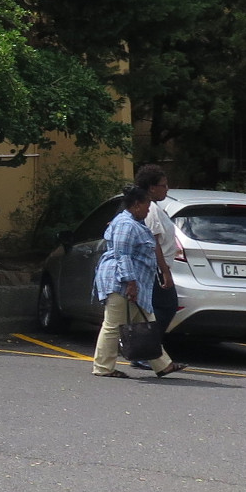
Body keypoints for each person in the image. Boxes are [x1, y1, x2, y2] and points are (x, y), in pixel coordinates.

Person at [91, 162, 181, 379]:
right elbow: (123, 255)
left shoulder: (133, 222)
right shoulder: (126, 225)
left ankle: (163, 365)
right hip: (119, 282)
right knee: (113, 325)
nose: (149, 210)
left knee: (145, 321)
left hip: (132, 283)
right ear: (136, 205)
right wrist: (130, 283)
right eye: (146, 207)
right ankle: (103, 367)